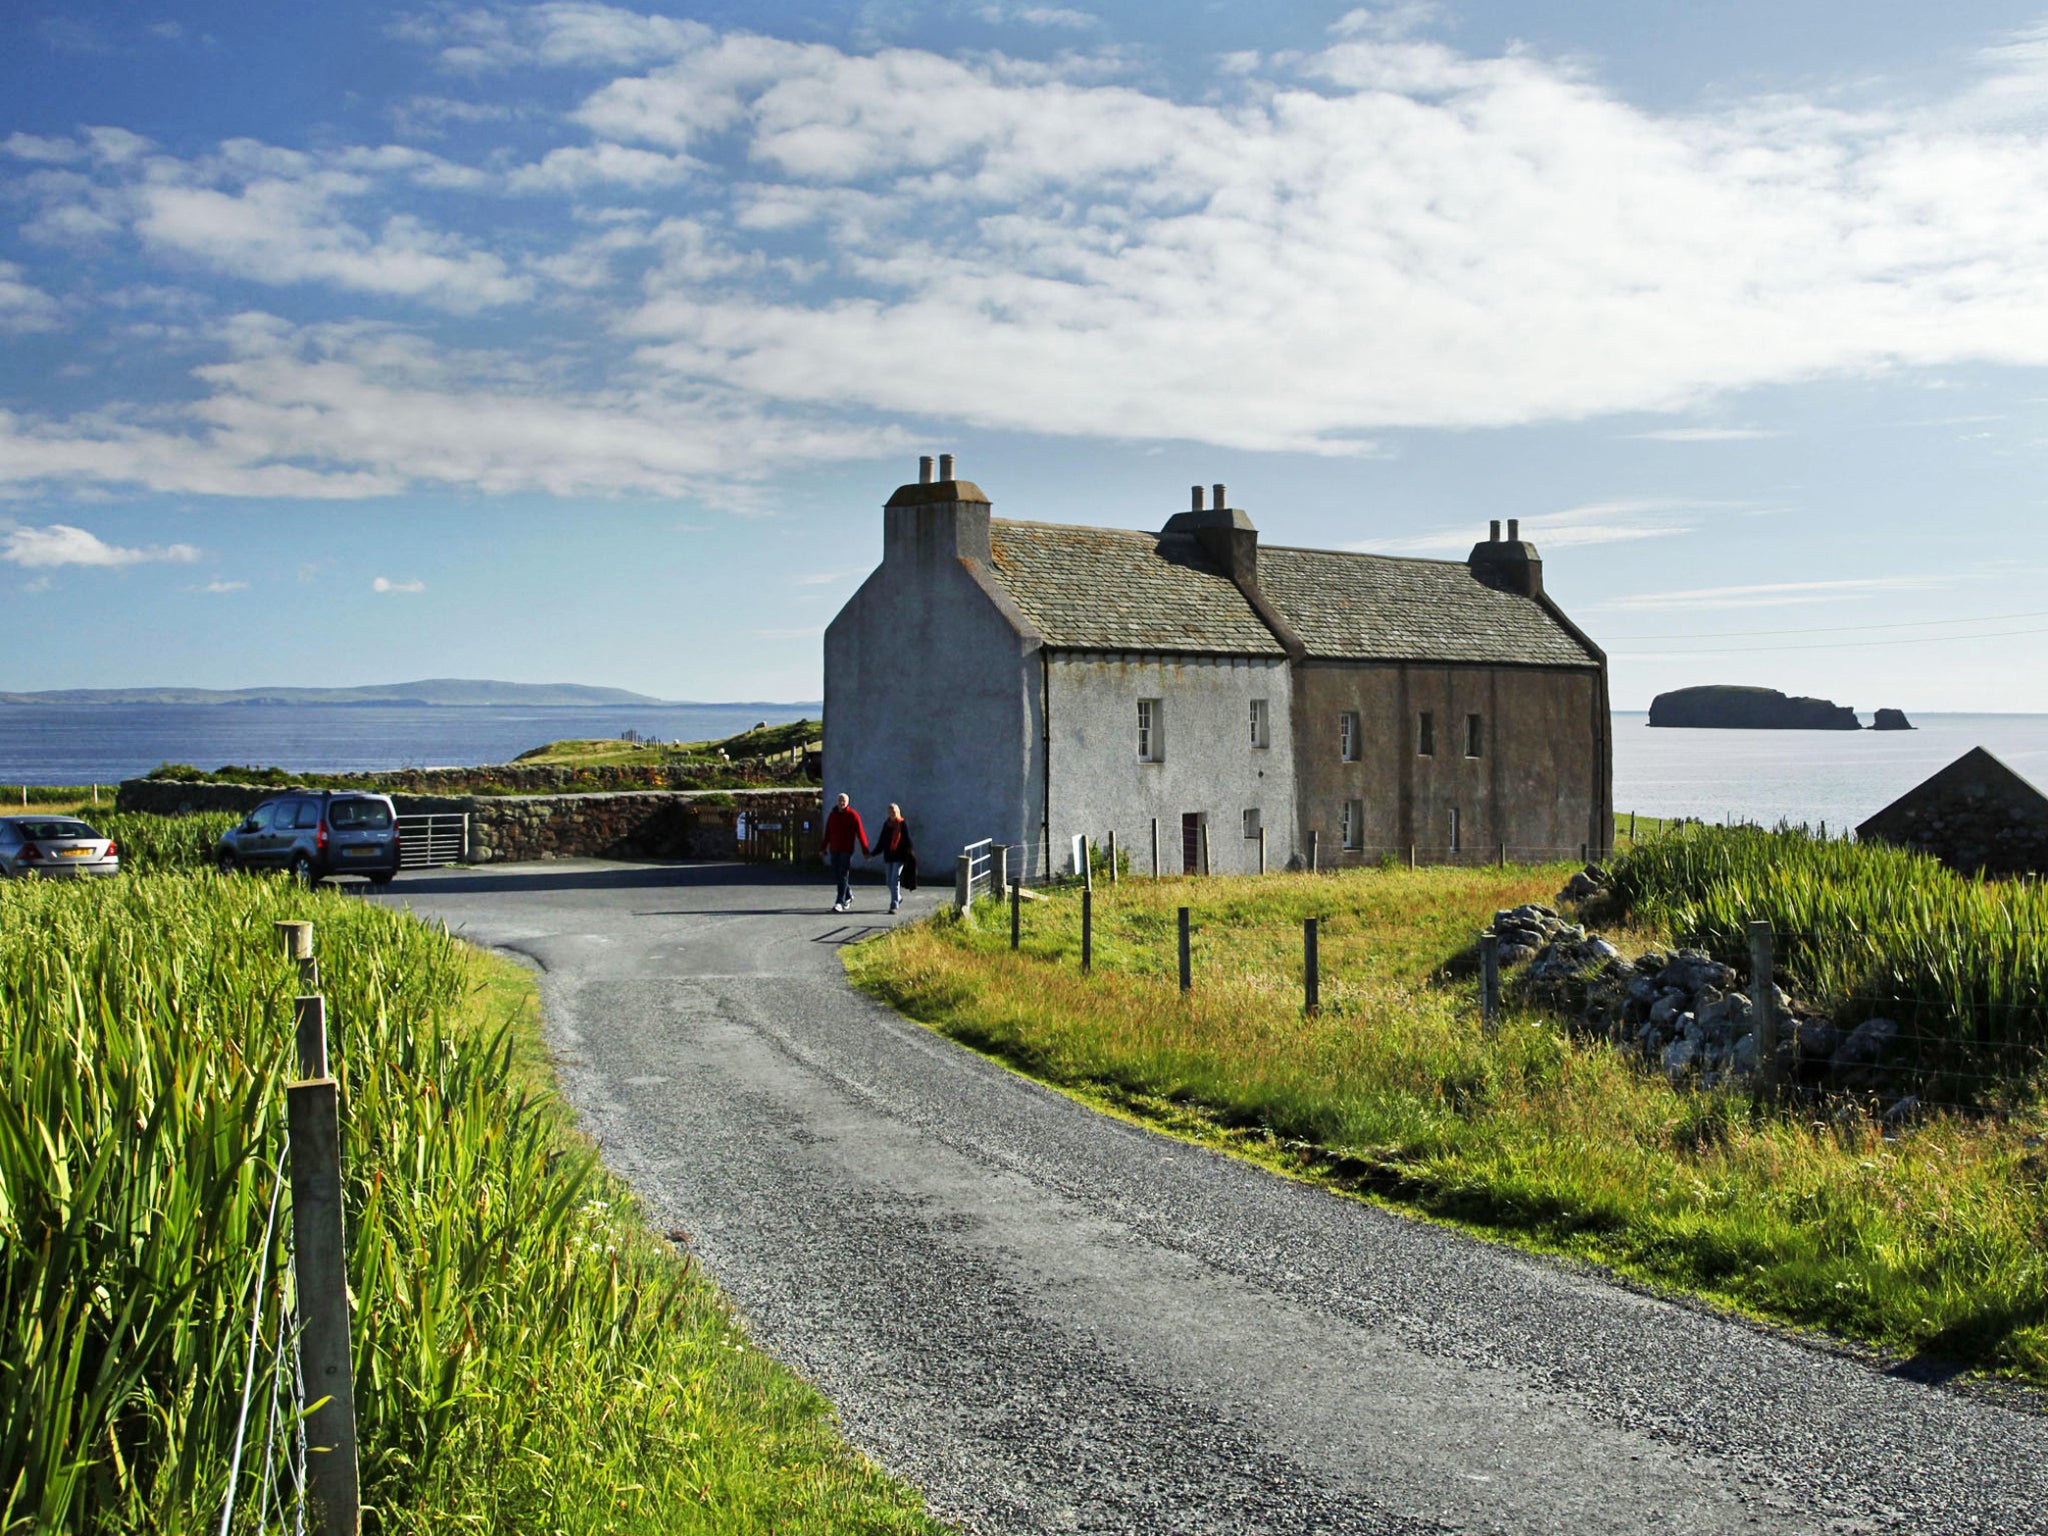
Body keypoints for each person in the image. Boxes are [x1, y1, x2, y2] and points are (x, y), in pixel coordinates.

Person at [819, 792, 870, 912]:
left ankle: (839, 902)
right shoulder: (832, 816)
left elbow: (861, 834)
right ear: (837, 802)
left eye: (844, 801)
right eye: (840, 801)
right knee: (837, 874)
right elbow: (827, 833)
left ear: (847, 803)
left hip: (846, 850)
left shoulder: (853, 815)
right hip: (834, 849)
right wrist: (823, 848)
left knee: (843, 874)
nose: (841, 803)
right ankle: (848, 895)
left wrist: (865, 851)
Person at [874, 804, 915, 914]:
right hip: (888, 857)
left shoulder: (902, 824)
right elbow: (882, 841)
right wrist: (873, 854)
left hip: (899, 857)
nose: (892, 813)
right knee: (888, 882)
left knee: (894, 880)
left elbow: (907, 841)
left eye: (894, 811)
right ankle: (898, 897)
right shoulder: (886, 825)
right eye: (890, 811)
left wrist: (909, 856)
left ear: (898, 812)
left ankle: (894, 904)